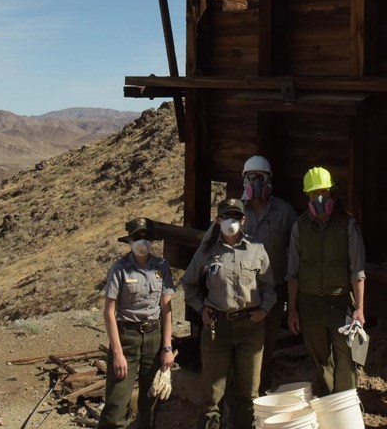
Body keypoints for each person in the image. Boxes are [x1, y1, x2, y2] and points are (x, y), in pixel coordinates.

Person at [182, 198, 276, 429]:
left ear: (243, 220)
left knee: (249, 394)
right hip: (217, 329)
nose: (230, 222)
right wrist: (201, 308)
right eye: (226, 217)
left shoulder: (257, 248)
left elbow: (269, 286)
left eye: (235, 217)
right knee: (212, 396)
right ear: (218, 220)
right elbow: (188, 284)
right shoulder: (207, 251)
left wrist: (264, 310)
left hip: (250, 329)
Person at [286, 167, 366, 396]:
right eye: (313, 194)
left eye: (322, 192)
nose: (319, 198)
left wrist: (359, 308)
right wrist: (292, 309)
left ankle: (347, 408)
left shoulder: (348, 225)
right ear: (307, 196)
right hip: (309, 304)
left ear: (332, 193)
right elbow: (292, 273)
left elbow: (357, 271)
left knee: (346, 361)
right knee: (320, 362)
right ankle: (330, 407)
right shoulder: (300, 227)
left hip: (339, 303)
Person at [97, 217, 175, 429]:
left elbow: (166, 309)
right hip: (127, 338)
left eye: (147, 237)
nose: (143, 241)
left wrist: (167, 347)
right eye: (137, 237)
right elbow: (109, 311)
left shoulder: (161, 266)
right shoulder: (120, 269)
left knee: (150, 402)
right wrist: (118, 353)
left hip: (153, 336)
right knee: (116, 404)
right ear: (129, 240)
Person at [240, 155, 297, 394]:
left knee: (266, 348)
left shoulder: (284, 212)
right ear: (244, 181)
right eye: (251, 177)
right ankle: (240, 400)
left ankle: (259, 398)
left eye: (260, 177)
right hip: (242, 296)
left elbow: (296, 253)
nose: (256, 182)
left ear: (269, 180)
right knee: (242, 350)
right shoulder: (235, 213)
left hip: (273, 296)